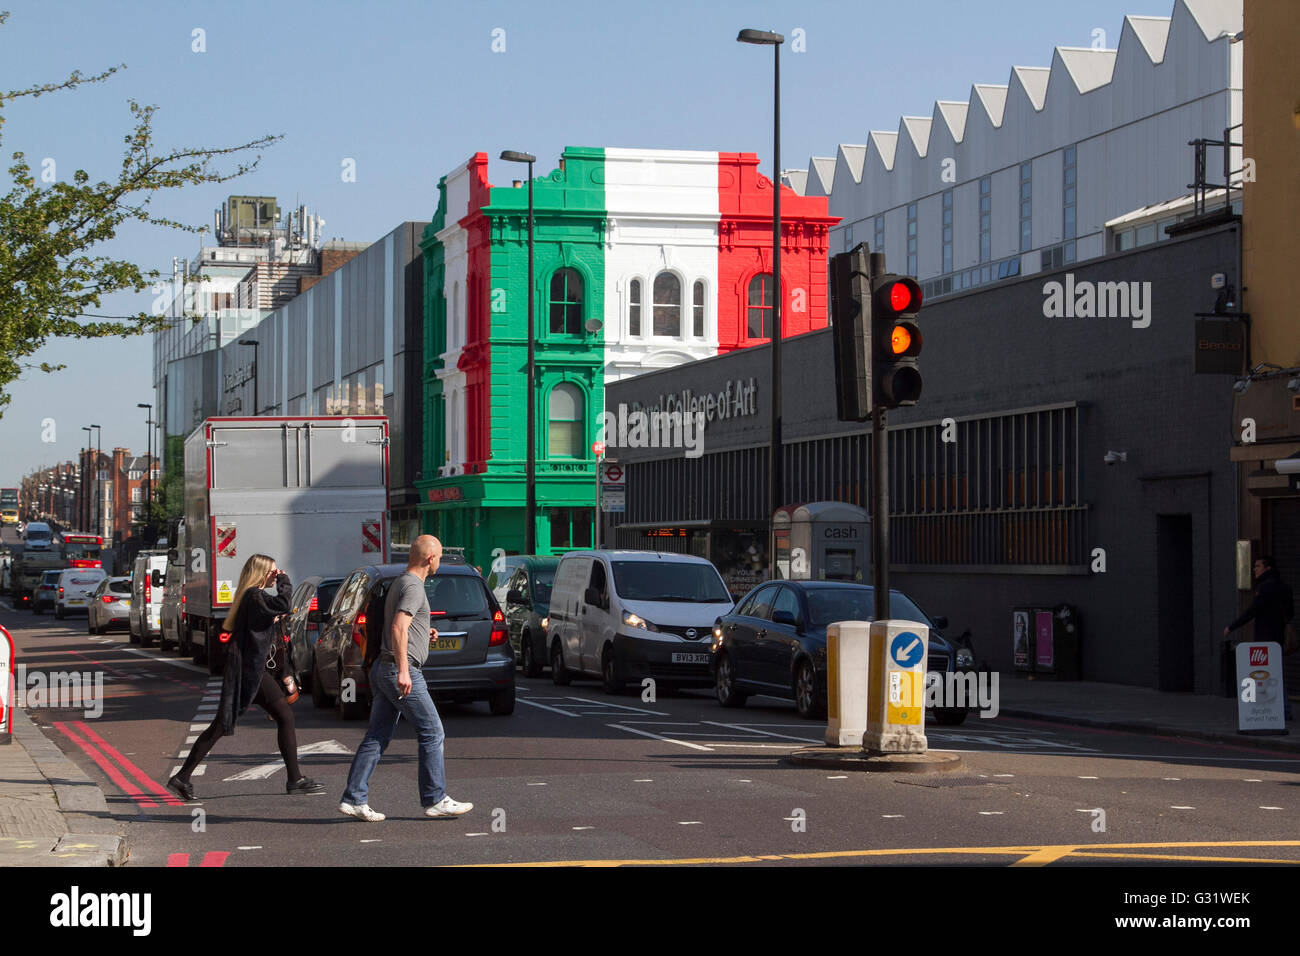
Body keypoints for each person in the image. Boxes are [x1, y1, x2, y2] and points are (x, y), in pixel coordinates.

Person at [167, 554, 325, 799]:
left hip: (255, 670)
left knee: (223, 724)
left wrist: (281, 674)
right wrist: (284, 580)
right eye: (273, 571)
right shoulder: (254, 596)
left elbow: (269, 637)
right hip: (249, 671)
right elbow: (283, 603)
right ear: (263, 573)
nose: (277, 574)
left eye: (278, 572)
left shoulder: (257, 598)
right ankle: (294, 779)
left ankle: (182, 778)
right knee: (281, 717)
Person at [339, 535, 472, 821]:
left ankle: (354, 798)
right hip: (400, 668)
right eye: (438, 557)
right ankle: (435, 798)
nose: (439, 562)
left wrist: (425, 633)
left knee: (377, 736)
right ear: (430, 559)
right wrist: (402, 670)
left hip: (382, 667)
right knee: (432, 731)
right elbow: (399, 628)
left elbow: (403, 627)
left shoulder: (401, 581)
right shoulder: (414, 587)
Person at [1225, 555, 1294, 720]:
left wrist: (1232, 626)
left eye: (1258, 566)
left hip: (1265, 636)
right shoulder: (1285, 587)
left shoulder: (1264, 588)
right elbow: (1290, 614)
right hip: (1278, 636)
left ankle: (1277, 709)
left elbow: (1252, 611)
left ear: (1267, 568)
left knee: (1265, 672)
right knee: (1276, 671)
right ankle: (1284, 708)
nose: (1254, 569)